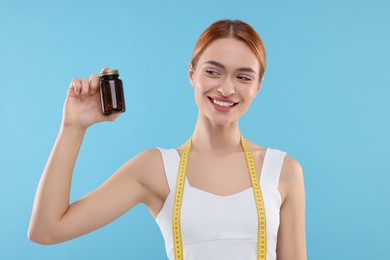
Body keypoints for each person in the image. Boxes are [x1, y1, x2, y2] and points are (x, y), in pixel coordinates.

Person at [28, 19, 307, 260]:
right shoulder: (155, 168)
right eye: (213, 71)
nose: (225, 88)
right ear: (191, 74)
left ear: (258, 86)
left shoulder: (282, 170)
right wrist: (72, 127)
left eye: (243, 77)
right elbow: (47, 230)